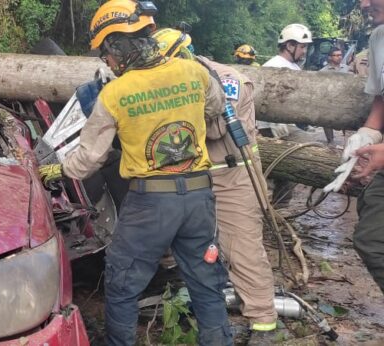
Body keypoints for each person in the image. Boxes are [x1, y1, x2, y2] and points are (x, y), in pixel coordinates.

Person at [38, 1, 232, 344]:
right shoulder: (194, 73)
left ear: (116, 46)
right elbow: (216, 107)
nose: (107, 62)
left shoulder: (115, 93)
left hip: (150, 204)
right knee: (207, 284)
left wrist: (55, 169)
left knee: (123, 284)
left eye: (105, 54)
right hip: (200, 198)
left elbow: (88, 160)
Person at [153, 28, 279, 345]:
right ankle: (205, 308)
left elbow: (216, 127)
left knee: (242, 248)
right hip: (190, 174)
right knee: (190, 246)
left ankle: (263, 321)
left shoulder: (227, 80)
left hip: (232, 175)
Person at [326, 0, 384, 294]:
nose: (363, 4)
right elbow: (381, 100)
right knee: (371, 239)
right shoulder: (378, 38)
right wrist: (367, 136)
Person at [259, 23, 313, 208]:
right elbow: (263, 100)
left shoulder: (293, 67)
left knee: (288, 170)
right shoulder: (273, 66)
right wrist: (273, 123)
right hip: (268, 127)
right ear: (290, 45)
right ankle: (270, 209)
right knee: (279, 167)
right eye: (302, 46)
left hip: (285, 126)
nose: (304, 51)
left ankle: (280, 209)